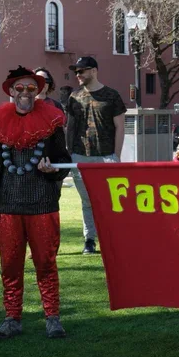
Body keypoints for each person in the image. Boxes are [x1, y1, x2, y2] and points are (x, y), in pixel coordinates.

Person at [0, 67, 73, 340]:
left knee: (46, 262)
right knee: (10, 265)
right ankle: (12, 319)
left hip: (42, 205)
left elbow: (62, 161)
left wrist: (52, 169)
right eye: (20, 88)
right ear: (11, 91)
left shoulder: (51, 124)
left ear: (39, 92)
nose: (25, 94)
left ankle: (52, 318)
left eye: (31, 89)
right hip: (8, 208)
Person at [66, 56, 127, 255]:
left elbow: (120, 127)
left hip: (107, 156)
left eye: (81, 71)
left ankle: (112, 237)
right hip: (80, 156)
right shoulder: (74, 96)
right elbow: (71, 127)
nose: (78, 75)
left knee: (110, 201)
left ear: (94, 71)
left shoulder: (112, 95)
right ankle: (89, 240)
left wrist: (116, 157)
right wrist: (70, 154)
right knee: (87, 201)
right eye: (76, 72)